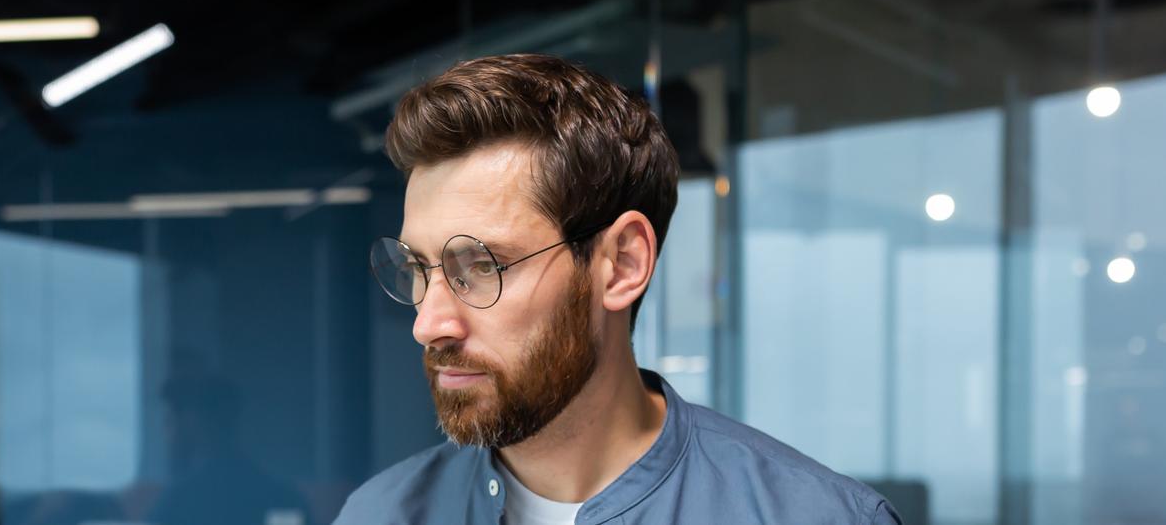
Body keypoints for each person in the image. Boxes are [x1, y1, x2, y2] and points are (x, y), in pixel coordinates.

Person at [336, 54, 901, 524]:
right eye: (418, 268)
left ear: (623, 264)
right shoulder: (377, 515)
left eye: (482, 265)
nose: (428, 323)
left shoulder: (816, 517)